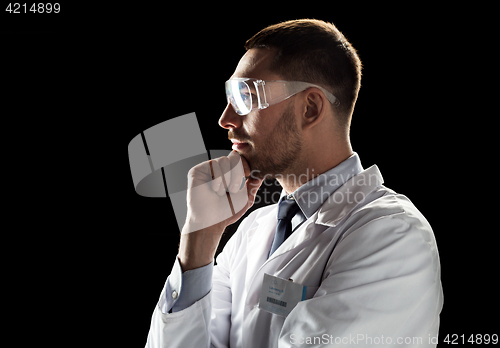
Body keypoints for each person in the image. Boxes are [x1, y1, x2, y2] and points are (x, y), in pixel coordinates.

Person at [145, 19, 443, 348]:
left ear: (310, 108)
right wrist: (198, 238)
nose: (225, 119)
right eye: (230, 96)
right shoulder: (251, 232)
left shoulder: (392, 236)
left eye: (246, 95)